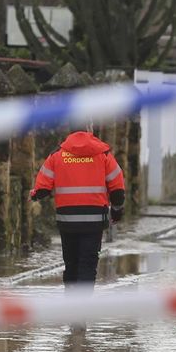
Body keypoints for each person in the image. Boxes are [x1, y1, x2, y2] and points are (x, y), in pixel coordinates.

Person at [31, 130, 126, 312]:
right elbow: (117, 187)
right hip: (94, 221)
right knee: (88, 264)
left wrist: (35, 195)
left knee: (71, 262)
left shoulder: (57, 155)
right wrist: (117, 210)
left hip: (67, 221)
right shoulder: (103, 155)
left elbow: (42, 187)